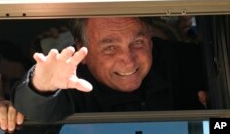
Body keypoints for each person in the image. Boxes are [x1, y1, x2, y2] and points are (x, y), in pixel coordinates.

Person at [12, 17, 207, 124]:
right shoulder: (69, 79)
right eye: (110, 48)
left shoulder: (183, 59)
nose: (128, 62)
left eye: (137, 43)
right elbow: (34, 117)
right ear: (83, 51)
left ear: (150, 39)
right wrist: (41, 88)